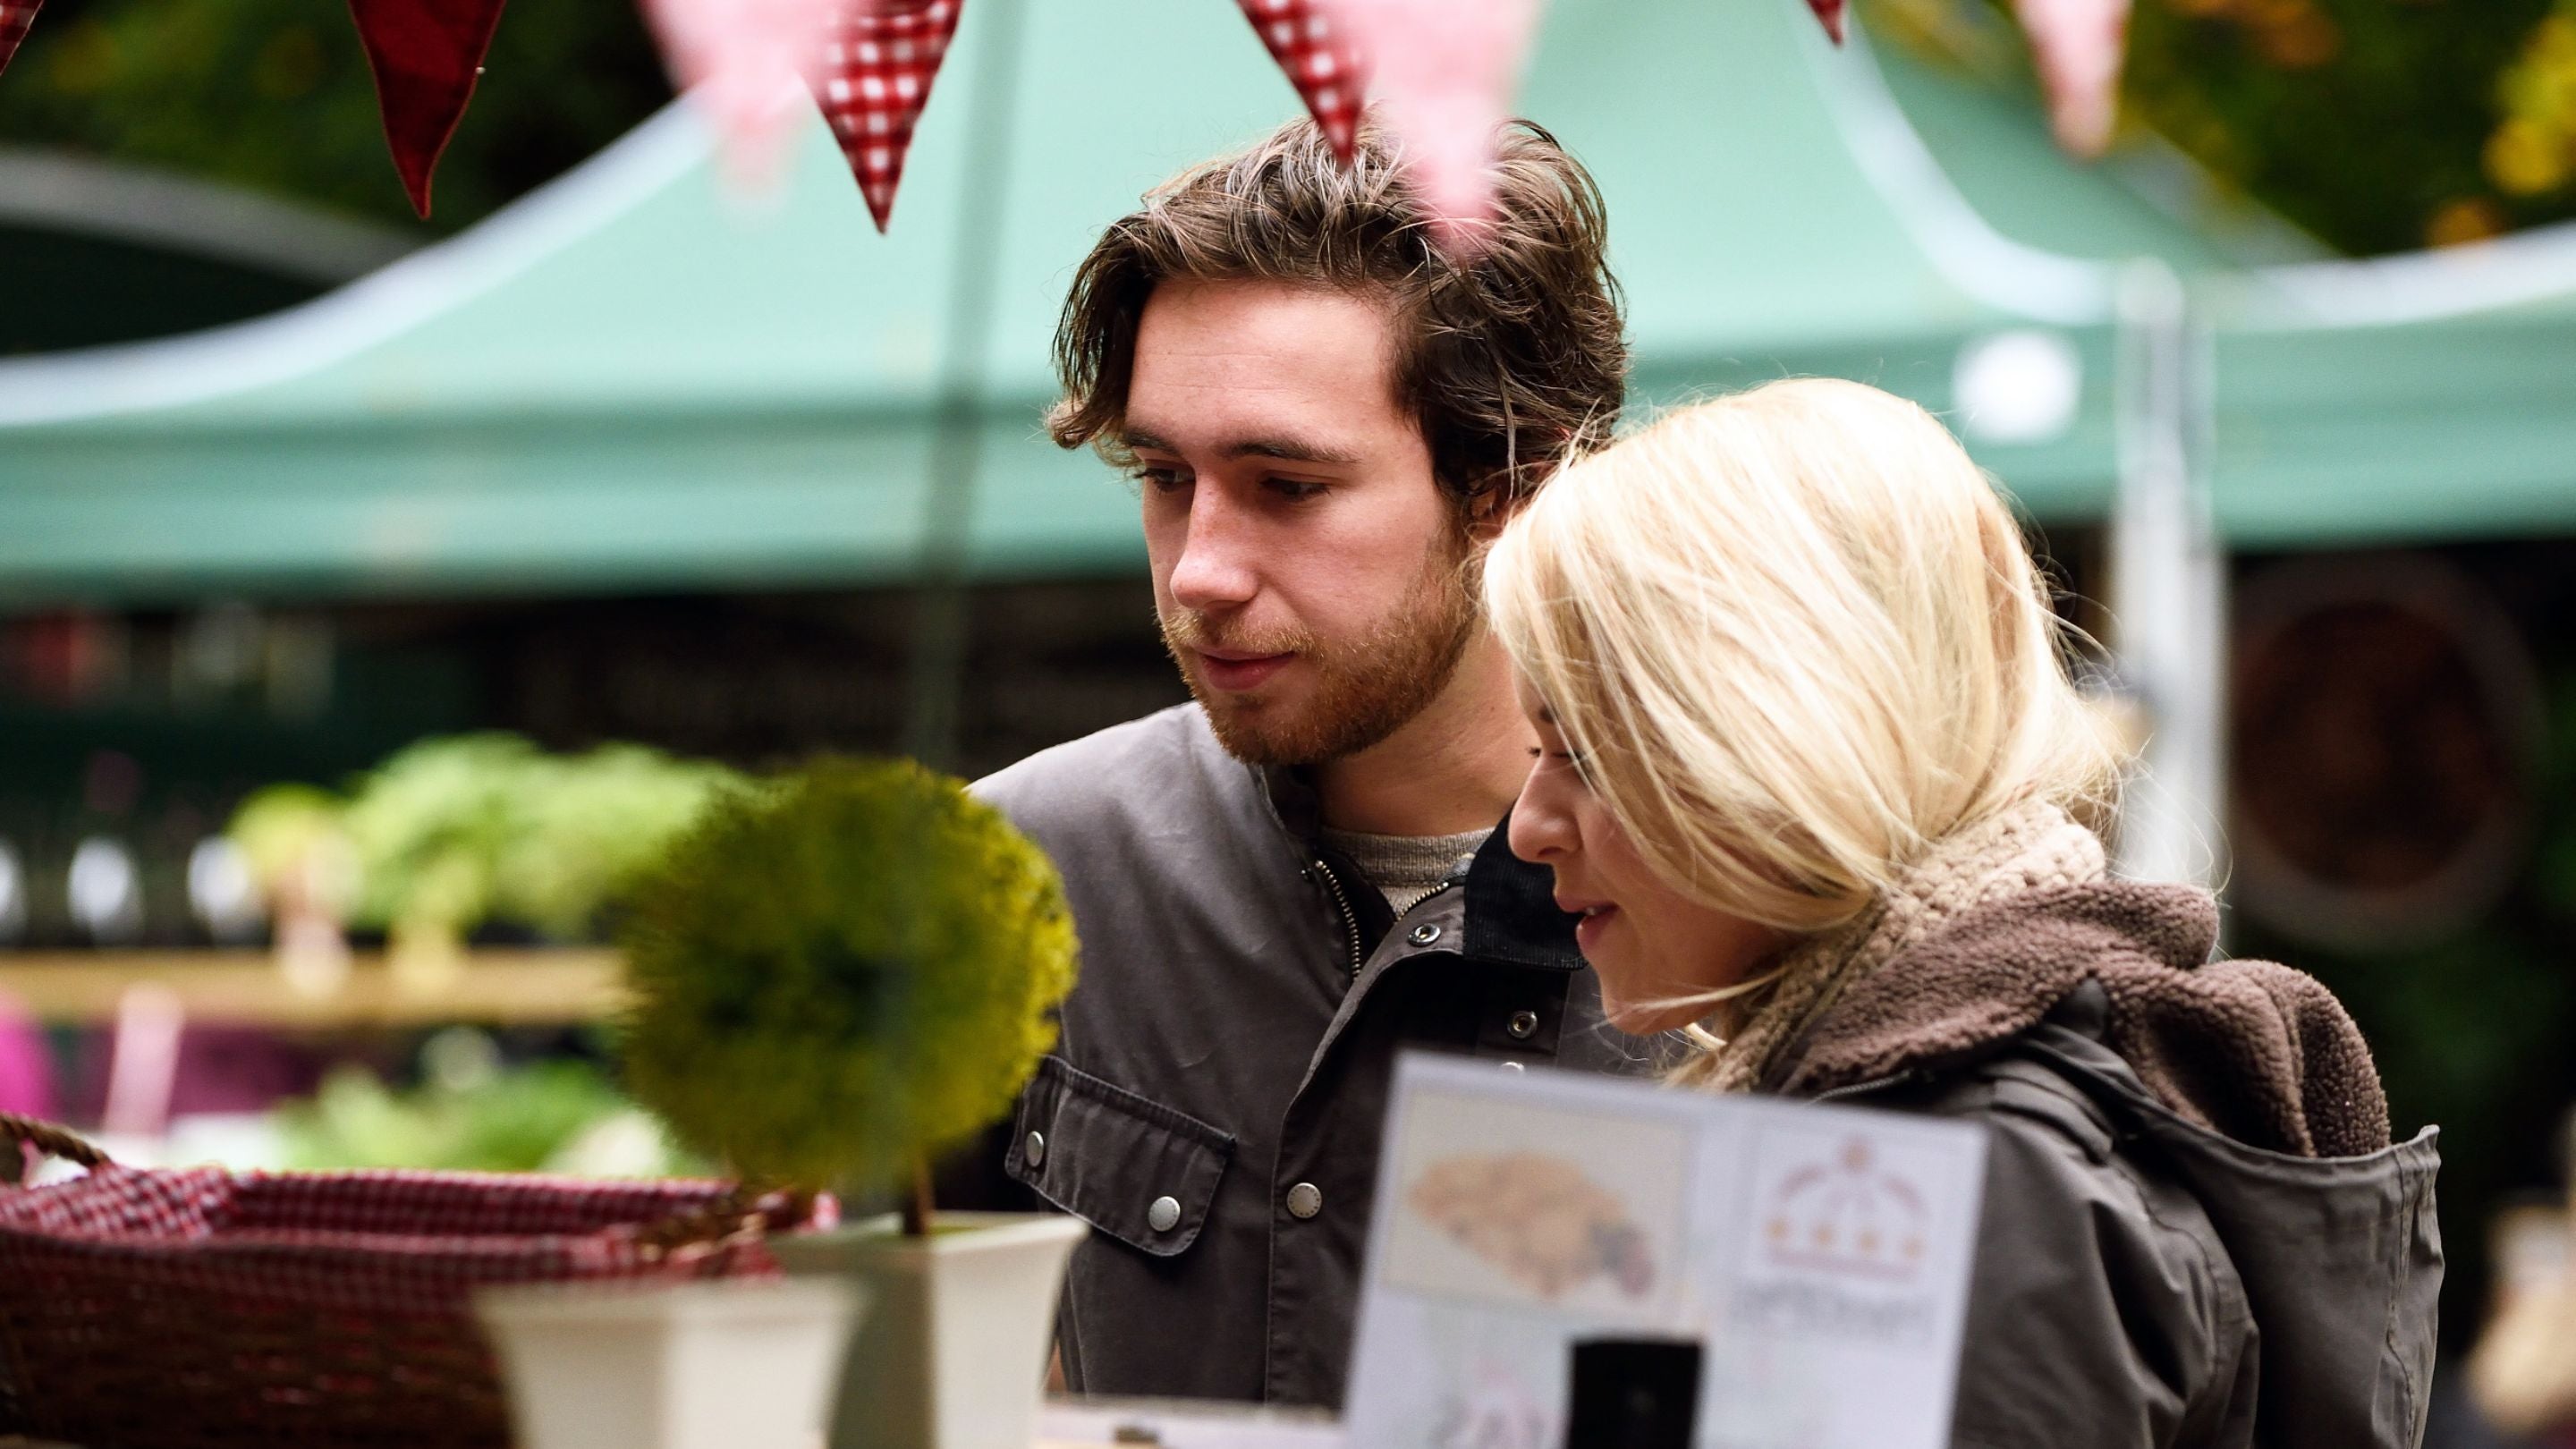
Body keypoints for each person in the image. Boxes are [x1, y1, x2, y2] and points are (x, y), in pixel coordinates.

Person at [1485, 378, 2445, 1448]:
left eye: (1579, 751)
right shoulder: (1973, 1111)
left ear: (1775, 734)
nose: (1529, 826)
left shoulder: (1970, 1176)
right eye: (1536, 754)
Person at [971, 114, 1637, 1410]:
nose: (1201, 571)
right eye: (1164, 476)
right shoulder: (1017, 870)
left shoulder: (1772, 902)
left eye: (1285, 485)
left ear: (1514, 478)